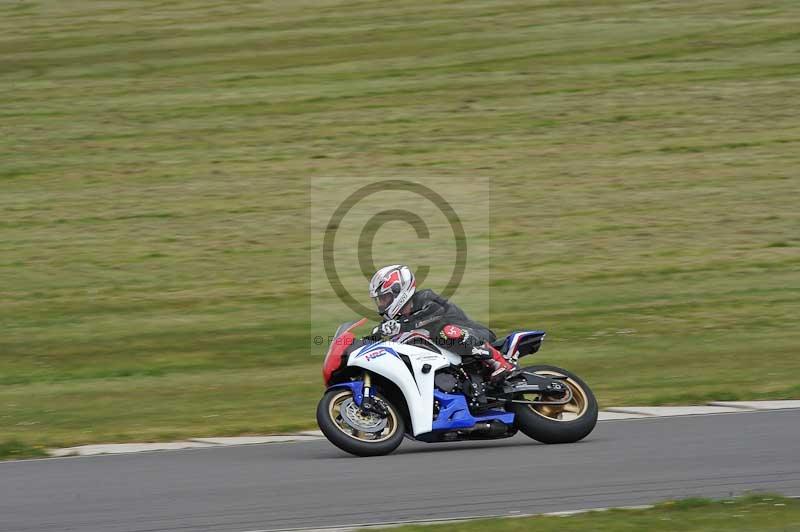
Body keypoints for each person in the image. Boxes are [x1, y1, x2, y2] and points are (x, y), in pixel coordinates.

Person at [367, 264, 515, 383]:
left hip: (476, 335)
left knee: (446, 331)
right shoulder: (395, 320)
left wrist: (400, 327)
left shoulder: (426, 299)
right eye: (380, 300)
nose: (382, 303)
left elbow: (431, 317)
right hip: (449, 358)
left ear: (398, 291)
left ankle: (499, 361)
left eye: (385, 298)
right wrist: (370, 339)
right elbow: (384, 335)